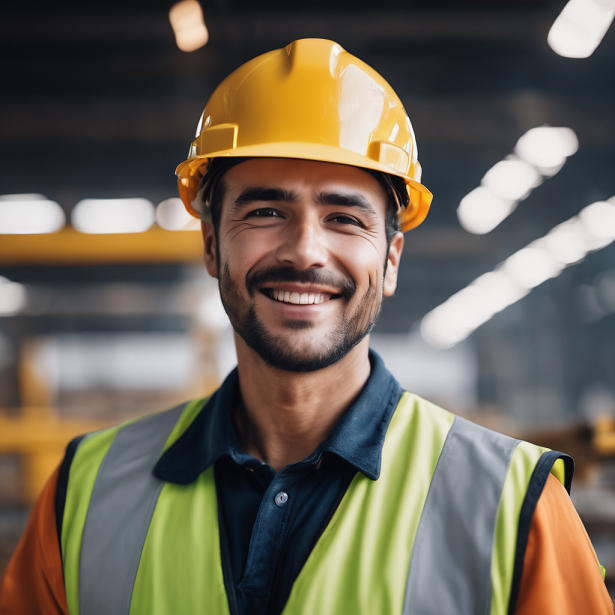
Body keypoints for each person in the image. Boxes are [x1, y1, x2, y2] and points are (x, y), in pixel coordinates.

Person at [0, 38, 612, 615]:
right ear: (212, 243)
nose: (305, 251)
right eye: (267, 210)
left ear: (390, 260)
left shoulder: (515, 508)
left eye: (344, 217)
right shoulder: (83, 494)